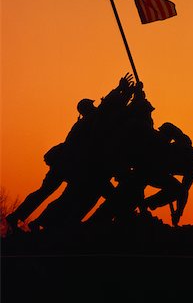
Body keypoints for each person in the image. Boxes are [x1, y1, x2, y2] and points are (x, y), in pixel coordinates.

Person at [6, 73, 134, 232]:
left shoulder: (86, 122)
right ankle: (29, 219)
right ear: (87, 109)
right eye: (92, 106)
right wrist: (120, 90)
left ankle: (24, 218)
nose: (95, 107)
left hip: (67, 163)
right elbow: (105, 109)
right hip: (70, 164)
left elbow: (107, 111)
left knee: (50, 192)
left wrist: (126, 94)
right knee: (63, 193)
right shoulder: (89, 120)